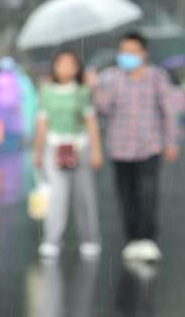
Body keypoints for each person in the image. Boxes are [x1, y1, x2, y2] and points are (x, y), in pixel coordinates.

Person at [92, 32, 180, 262]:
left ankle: (147, 239)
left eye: (132, 51)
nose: (127, 56)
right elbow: (103, 109)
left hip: (149, 146)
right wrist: (95, 88)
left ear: (144, 53)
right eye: (123, 51)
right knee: (126, 195)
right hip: (120, 147)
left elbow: (168, 111)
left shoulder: (157, 77)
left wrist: (172, 141)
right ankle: (132, 239)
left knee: (148, 192)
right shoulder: (110, 78)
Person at [34, 49, 103, 260]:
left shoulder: (82, 92)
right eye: (61, 63)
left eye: (70, 64)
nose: (65, 68)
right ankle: (52, 239)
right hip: (54, 148)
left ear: (77, 68)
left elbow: (91, 122)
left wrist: (96, 150)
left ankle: (90, 239)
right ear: (54, 67)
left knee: (84, 195)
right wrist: (37, 151)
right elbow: (42, 123)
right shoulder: (46, 91)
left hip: (78, 147)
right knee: (57, 195)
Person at [0, 57, 24, 137]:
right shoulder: (15, 77)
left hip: (7, 107)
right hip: (5, 107)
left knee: (9, 129)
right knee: (8, 129)